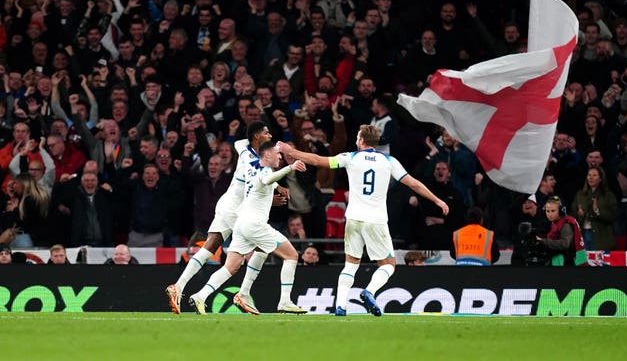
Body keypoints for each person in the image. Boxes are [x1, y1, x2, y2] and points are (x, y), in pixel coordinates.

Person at [277, 124, 449, 317]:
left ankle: (340, 306)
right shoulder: (389, 161)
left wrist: (290, 151)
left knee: (351, 264)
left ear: (361, 140)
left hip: (353, 219)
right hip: (376, 220)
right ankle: (369, 291)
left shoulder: (350, 157)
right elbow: (414, 184)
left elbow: (317, 160)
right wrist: (436, 199)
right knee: (388, 265)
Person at [165, 121, 278, 315]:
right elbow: (260, 182)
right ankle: (243, 294)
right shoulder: (253, 161)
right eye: (266, 133)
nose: (270, 136)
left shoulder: (243, 148)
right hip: (238, 211)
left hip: (225, 204)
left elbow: (238, 143)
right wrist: (278, 187)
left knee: (210, 247)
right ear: (258, 136)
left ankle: (179, 286)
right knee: (261, 248)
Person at [188, 141, 308, 315]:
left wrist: (278, 186)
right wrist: (291, 168)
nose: (280, 157)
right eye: (277, 154)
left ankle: (202, 295)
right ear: (267, 155)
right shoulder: (265, 170)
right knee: (291, 255)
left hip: (241, 223)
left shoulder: (251, 166)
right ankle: (285, 301)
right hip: (254, 225)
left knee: (233, 265)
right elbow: (267, 178)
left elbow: (242, 148)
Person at [536, 196, 587, 266]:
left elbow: (564, 244)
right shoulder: (554, 223)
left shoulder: (566, 225)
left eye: (553, 211)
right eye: (547, 211)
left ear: (560, 211)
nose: (550, 214)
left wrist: (543, 241)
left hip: (567, 264)